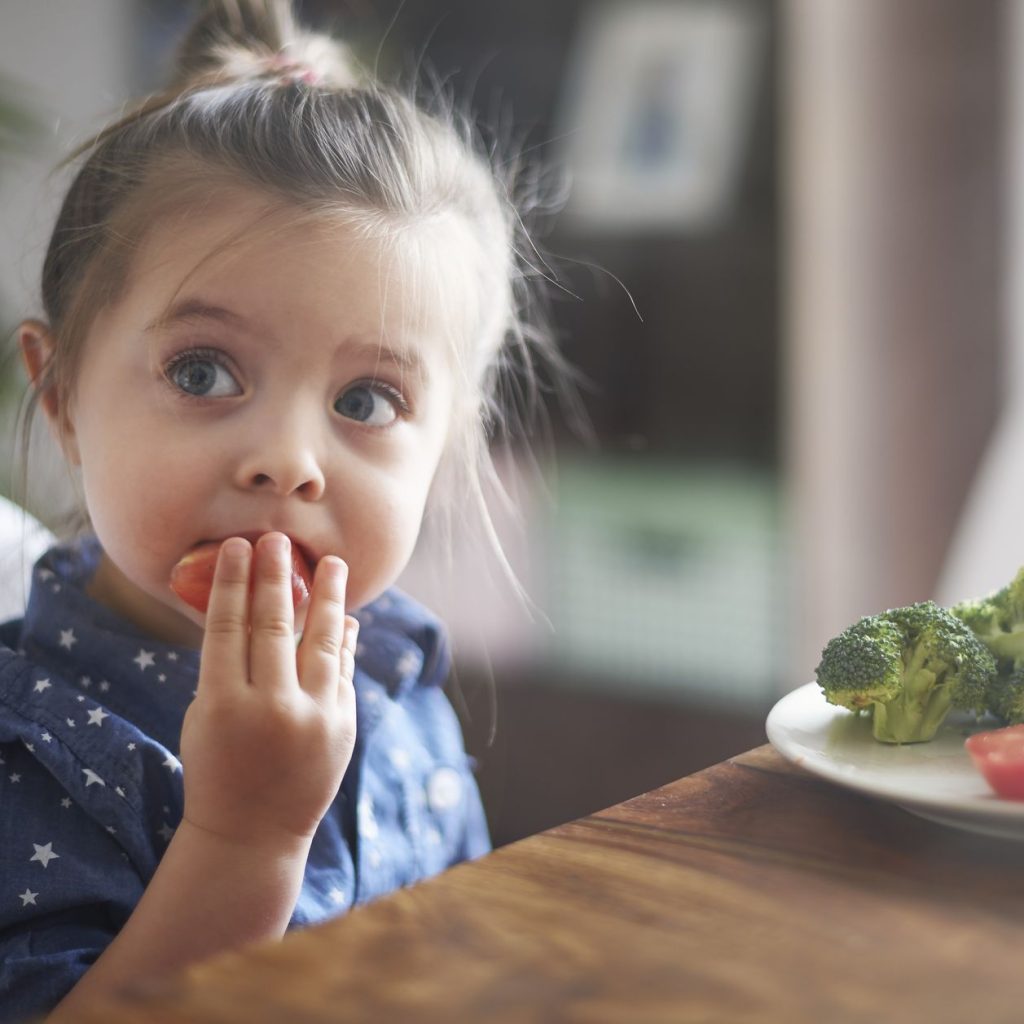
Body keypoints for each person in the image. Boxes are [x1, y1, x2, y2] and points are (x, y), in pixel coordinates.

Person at [0, 1, 557, 1018]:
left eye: (366, 401)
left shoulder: (398, 675)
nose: (288, 461)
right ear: (65, 395)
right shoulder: (27, 748)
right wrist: (245, 839)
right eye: (203, 371)